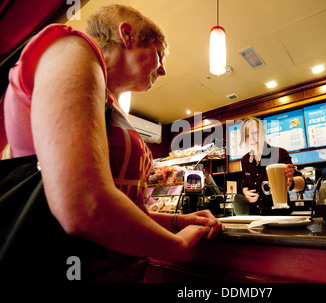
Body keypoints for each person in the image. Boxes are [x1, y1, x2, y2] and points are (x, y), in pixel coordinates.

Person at [0, 4, 222, 282]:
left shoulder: (109, 104)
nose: (163, 70)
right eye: (159, 54)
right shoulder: (72, 46)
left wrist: (178, 221)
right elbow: (85, 205)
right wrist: (177, 245)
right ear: (127, 34)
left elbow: (124, 208)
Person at [237, 117, 302, 215]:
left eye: (254, 132)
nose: (252, 138)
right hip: (254, 217)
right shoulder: (245, 160)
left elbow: (301, 184)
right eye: (247, 136)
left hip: (279, 216)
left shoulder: (279, 153)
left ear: (263, 132)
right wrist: (245, 192)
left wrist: (291, 182)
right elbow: (245, 185)